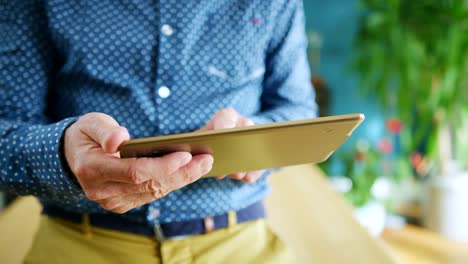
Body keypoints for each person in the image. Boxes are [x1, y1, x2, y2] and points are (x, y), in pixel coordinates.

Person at [0, 0, 316, 263]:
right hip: (80, 242)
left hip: (240, 243)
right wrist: (62, 153)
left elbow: (298, 109)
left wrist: (254, 136)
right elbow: (6, 132)